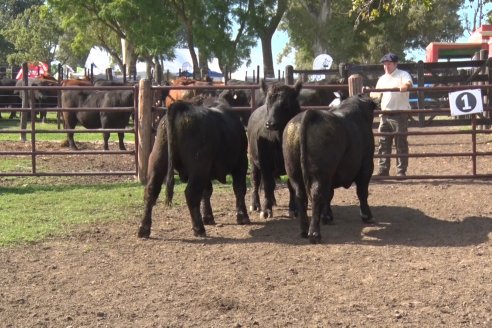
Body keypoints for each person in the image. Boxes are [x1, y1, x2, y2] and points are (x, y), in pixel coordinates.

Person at [372, 52, 413, 177]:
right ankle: (383, 170)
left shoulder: (403, 75)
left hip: (399, 113)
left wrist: (405, 86)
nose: (386, 66)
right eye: (385, 64)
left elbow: (409, 83)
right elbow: (375, 96)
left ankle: (401, 171)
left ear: (395, 64)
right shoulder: (382, 79)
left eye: (389, 64)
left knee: (400, 143)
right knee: (383, 143)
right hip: (385, 114)